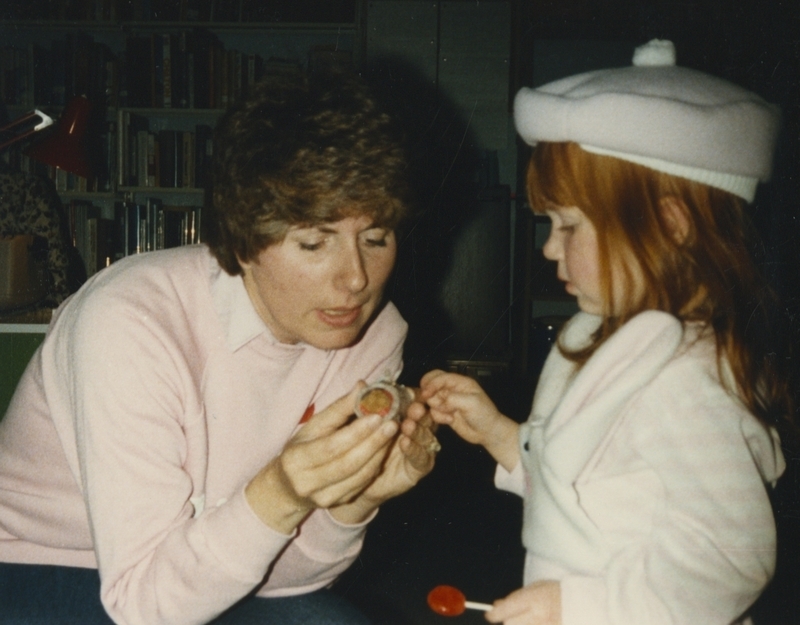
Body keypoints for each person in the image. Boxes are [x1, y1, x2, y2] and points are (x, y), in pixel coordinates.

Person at [0, 67, 440, 624]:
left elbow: (280, 581)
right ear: (243, 239)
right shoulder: (132, 321)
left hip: (190, 573)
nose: (356, 278)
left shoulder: (376, 334)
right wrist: (281, 490)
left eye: (376, 238)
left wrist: (356, 499)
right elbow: (143, 605)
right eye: (313, 242)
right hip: (39, 566)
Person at [417, 40, 793, 625]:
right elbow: (591, 488)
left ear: (669, 225)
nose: (548, 247)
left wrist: (582, 606)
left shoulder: (685, 382)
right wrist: (499, 435)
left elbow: (732, 558)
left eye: (569, 226)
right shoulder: (606, 338)